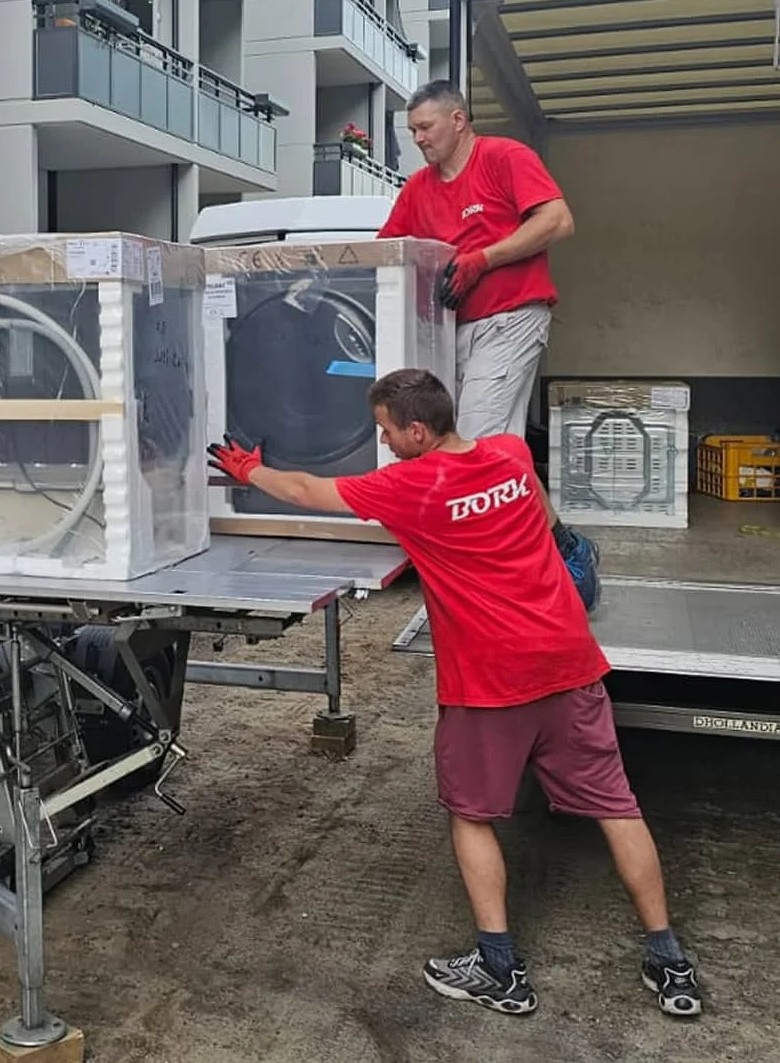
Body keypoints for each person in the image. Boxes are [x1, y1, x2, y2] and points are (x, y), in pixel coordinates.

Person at [205, 368, 702, 1020]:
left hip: (490, 685)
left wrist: (247, 473)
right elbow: (550, 520)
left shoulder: (411, 487)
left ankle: (501, 970)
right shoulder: (511, 453)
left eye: (386, 432)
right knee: (618, 807)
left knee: (473, 815)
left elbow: (306, 489)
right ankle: (668, 959)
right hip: (568, 663)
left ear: (416, 430)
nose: (382, 444)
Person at [379, 80, 574, 443]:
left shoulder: (504, 157)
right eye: (412, 131)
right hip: (447, 331)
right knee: (475, 445)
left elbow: (558, 221)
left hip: (510, 320)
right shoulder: (417, 188)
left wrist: (482, 260)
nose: (418, 139)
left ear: (457, 120)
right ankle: (519, 498)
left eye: (425, 127)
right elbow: (386, 255)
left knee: (472, 437)